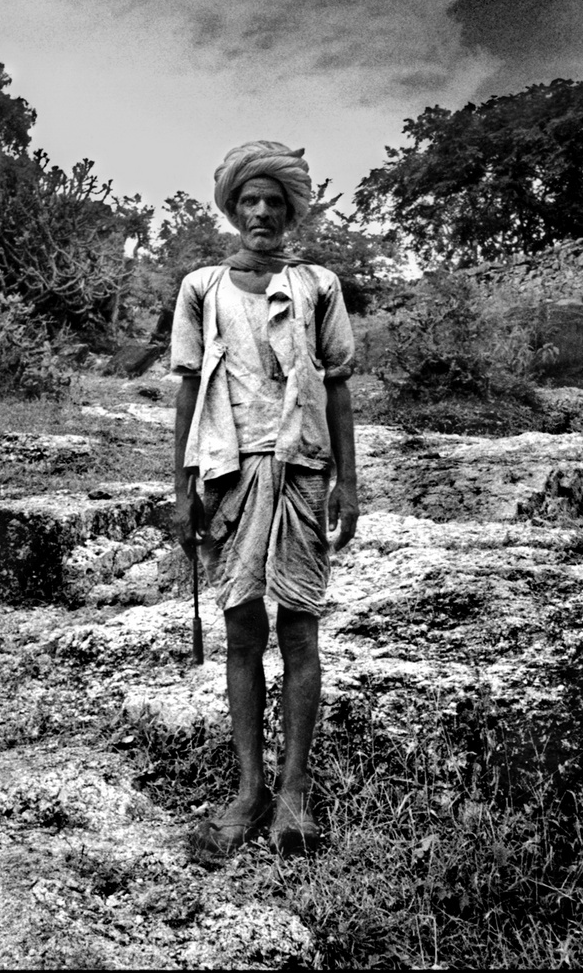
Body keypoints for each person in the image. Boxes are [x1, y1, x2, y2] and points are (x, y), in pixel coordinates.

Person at [169, 140, 359, 856]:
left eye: (273, 202)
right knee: (243, 631)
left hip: (304, 468)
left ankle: (295, 794)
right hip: (227, 472)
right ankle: (249, 789)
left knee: (300, 630)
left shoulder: (318, 285)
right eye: (249, 201)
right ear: (232, 209)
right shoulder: (202, 288)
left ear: (289, 211)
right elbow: (189, 387)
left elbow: (336, 382)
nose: (261, 212)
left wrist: (350, 480)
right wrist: (180, 487)